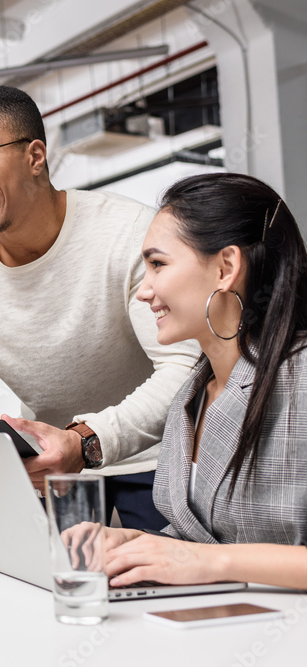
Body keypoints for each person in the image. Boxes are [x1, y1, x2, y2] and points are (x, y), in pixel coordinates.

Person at [0, 85, 198, 530]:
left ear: (35, 157)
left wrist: (86, 439)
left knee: (161, 593)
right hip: (55, 468)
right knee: (53, 592)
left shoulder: (128, 232)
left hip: (160, 459)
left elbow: (183, 367)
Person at [98, 173, 307, 589]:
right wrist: (134, 543)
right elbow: (204, 540)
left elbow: (212, 556)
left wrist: (209, 562)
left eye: (158, 264)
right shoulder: (192, 395)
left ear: (226, 268)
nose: (144, 291)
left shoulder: (300, 376)